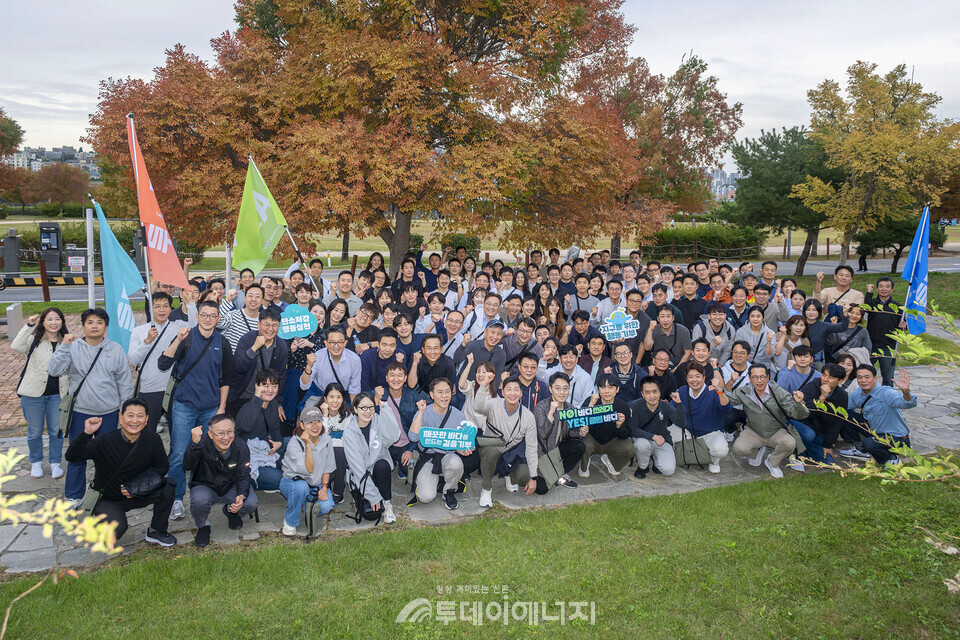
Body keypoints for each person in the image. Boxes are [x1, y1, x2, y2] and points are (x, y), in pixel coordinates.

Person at [157, 300, 234, 519]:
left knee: (204, 454)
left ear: (218, 319)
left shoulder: (223, 342)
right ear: (197, 316)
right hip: (184, 406)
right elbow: (162, 364)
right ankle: (176, 499)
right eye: (204, 315)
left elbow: (226, 379)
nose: (208, 319)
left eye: (213, 315)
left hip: (210, 409)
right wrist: (176, 341)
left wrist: (221, 407)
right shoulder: (186, 337)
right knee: (179, 453)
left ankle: (198, 495)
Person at [48, 308, 133, 503]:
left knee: (107, 456)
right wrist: (63, 347)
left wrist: (125, 409)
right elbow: (54, 370)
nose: (95, 326)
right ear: (83, 325)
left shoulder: (115, 349)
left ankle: (105, 492)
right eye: (90, 322)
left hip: (109, 412)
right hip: (80, 412)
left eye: (99, 322)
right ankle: (73, 496)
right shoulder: (72, 346)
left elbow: (124, 381)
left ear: (105, 326)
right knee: (77, 457)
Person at [64, 399, 176, 545]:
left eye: (140, 416)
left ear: (147, 419)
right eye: (130, 415)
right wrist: (86, 434)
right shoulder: (105, 440)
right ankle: (98, 522)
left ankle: (156, 530)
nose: (135, 421)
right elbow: (72, 457)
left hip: (139, 493)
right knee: (114, 533)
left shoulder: (153, 439)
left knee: (168, 487)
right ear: (121, 417)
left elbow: (162, 467)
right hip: (109, 498)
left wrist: (137, 488)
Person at [183, 414, 259, 547]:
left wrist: (241, 495)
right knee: (199, 500)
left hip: (230, 486)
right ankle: (203, 526)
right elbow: (187, 465)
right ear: (211, 434)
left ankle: (231, 511)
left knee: (251, 502)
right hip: (205, 485)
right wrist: (194, 444)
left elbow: (244, 474)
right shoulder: (201, 444)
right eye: (220, 434)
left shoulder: (241, 446)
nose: (226, 438)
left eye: (230, 432)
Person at [14, 308, 68, 479]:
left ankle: (55, 463)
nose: (54, 323)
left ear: (62, 321)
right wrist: (29, 325)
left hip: (57, 395)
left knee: (56, 431)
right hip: (33, 395)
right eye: (49, 319)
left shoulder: (66, 342)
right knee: (35, 431)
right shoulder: (34, 340)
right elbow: (16, 345)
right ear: (43, 322)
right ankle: (36, 462)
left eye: (57, 319)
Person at [408, 379, 478, 509]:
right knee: (426, 497)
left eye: (447, 392)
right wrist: (421, 412)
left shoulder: (458, 416)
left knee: (456, 463)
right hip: (428, 458)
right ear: (432, 395)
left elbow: (460, 443)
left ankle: (449, 491)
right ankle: (438, 482)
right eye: (440, 392)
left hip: (448, 456)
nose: (444, 396)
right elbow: (412, 437)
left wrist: (462, 450)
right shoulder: (424, 412)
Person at [730, 364, 810, 478]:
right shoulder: (743, 391)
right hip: (754, 431)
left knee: (790, 443)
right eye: (755, 377)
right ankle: (756, 452)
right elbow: (727, 401)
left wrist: (798, 403)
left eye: (762, 377)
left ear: (768, 377)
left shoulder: (779, 392)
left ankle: (772, 462)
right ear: (749, 378)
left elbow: (797, 414)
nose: (759, 381)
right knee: (738, 449)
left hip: (776, 431)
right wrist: (721, 389)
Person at [473, 376, 539, 507]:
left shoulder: (528, 416)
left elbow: (532, 447)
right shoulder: (493, 404)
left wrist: (533, 477)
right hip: (493, 449)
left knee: (524, 475)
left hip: (512, 454)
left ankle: (510, 475)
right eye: (508, 390)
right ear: (502, 392)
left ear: (521, 393)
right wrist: (484, 386)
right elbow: (478, 406)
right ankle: (486, 489)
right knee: (489, 452)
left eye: (516, 390)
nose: (512, 393)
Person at [129, 293, 188, 435]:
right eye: (157, 306)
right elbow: (132, 360)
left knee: (177, 431)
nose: (162, 310)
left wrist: (190, 303)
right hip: (150, 389)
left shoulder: (179, 326)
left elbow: (196, 324)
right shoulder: (139, 331)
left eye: (165, 306)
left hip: (174, 388)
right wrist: (147, 341)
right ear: (150, 309)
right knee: (147, 432)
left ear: (170, 309)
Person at [342, 390, 402, 523]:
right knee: (371, 516)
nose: (367, 411)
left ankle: (387, 503)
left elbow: (393, 437)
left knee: (382, 464)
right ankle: (367, 494)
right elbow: (357, 469)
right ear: (355, 410)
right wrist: (373, 496)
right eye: (363, 408)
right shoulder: (349, 433)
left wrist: (385, 410)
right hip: (361, 475)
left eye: (370, 407)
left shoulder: (378, 421)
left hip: (377, 470)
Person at [279, 407, 336, 536]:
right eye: (310, 422)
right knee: (301, 488)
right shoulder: (295, 443)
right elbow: (308, 469)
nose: (315, 426)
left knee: (327, 506)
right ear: (302, 425)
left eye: (318, 421)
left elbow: (328, 467)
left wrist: (324, 487)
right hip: (293, 483)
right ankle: (290, 521)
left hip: (315, 484)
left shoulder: (326, 440)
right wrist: (308, 445)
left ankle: (307, 506)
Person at [845, 366, 916, 465]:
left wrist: (906, 392)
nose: (863, 380)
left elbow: (907, 403)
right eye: (860, 377)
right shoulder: (859, 393)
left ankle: (890, 459)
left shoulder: (887, 392)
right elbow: (844, 405)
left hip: (897, 438)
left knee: (869, 443)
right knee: (842, 413)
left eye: (867, 377)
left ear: (875, 378)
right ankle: (860, 449)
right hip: (875, 433)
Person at [228, 307, 289, 418]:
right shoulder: (247, 339)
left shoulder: (281, 346)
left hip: (265, 398)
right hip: (242, 395)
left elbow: (281, 375)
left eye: (274, 325)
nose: (270, 329)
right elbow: (238, 366)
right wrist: (254, 348)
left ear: (279, 327)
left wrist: (278, 402)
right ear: (258, 325)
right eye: (266, 325)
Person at [531, 372, 587, 491]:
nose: (562, 392)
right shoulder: (541, 407)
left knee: (580, 446)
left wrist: (581, 432)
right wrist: (550, 414)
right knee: (542, 489)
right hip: (542, 452)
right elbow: (543, 434)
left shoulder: (570, 408)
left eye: (565, 388)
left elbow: (572, 433)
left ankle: (560, 473)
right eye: (558, 388)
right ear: (550, 389)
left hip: (558, 448)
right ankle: (550, 472)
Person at [672, 363, 731, 473]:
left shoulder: (712, 391)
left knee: (720, 450)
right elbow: (671, 409)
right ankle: (671, 458)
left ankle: (714, 461)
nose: (694, 380)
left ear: (704, 378)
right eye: (690, 377)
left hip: (710, 432)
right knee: (665, 434)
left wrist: (720, 391)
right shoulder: (682, 391)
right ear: (686, 379)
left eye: (698, 376)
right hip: (688, 432)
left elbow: (727, 408)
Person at [235, 369, 284, 491]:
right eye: (265, 386)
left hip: (267, 448)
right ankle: (249, 482)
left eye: (274, 386)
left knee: (291, 442)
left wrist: (278, 443)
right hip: (250, 456)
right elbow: (247, 427)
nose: (270, 390)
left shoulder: (273, 404)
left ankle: (273, 469)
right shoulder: (248, 407)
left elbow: (276, 428)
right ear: (257, 387)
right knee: (282, 478)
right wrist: (257, 398)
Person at [577, 373, 633, 477]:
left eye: (610, 387)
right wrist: (590, 406)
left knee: (630, 448)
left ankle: (610, 461)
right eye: (603, 387)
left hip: (612, 440)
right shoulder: (591, 401)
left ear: (617, 390)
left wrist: (619, 426)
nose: (606, 391)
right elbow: (579, 424)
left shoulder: (622, 406)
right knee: (582, 445)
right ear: (598, 389)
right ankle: (584, 464)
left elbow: (627, 434)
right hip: (592, 439)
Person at [628, 376, 684, 477]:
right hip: (644, 439)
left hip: (663, 441)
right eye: (647, 392)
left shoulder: (666, 406)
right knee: (641, 444)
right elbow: (633, 430)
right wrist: (653, 436)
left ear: (659, 393)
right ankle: (642, 467)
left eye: (654, 391)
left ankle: (656, 462)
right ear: (642, 394)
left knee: (668, 471)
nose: (652, 396)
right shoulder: (635, 405)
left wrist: (679, 403)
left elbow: (681, 423)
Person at [301, 326, 363, 405]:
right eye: (332, 342)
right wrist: (308, 366)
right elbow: (304, 386)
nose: (336, 346)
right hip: (319, 395)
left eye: (340, 342)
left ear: (345, 343)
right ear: (326, 343)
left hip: (341, 397)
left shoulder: (354, 359)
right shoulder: (318, 356)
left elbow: (354, 389)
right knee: (310, 415)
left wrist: (354, 411)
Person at [865, 277, 908, 386]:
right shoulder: (872, 303)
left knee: (888, 378)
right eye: (881, 286)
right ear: (877, 289)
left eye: (887, 287)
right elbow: (865, 308)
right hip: (871, 345)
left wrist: (903, 326)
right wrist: (869, 292)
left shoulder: (898, 307)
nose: (884, 289)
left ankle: (888, 398)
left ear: (892, 290)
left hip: (888, 346)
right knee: (865, 373)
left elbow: (903, 328)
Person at [734, 306, 777, 371]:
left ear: (763, 318)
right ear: (748, 317)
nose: (755, 319)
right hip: (745, 366)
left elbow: (769, 355)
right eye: (752, 316)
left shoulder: (770, 333)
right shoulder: (741, 332)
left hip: (763, 367)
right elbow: (738, 352)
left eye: (758, 316)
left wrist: (769, 342)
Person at [359, 328, 400, 393]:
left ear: (396, 346)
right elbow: (364, 385)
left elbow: (400, 382)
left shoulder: (399, 355)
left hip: (392, 395)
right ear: (378, 344)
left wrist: (399, 364)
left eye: (392, 346)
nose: (388, 349)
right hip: (370, 395)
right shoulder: (366, 356)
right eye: (384, 345)